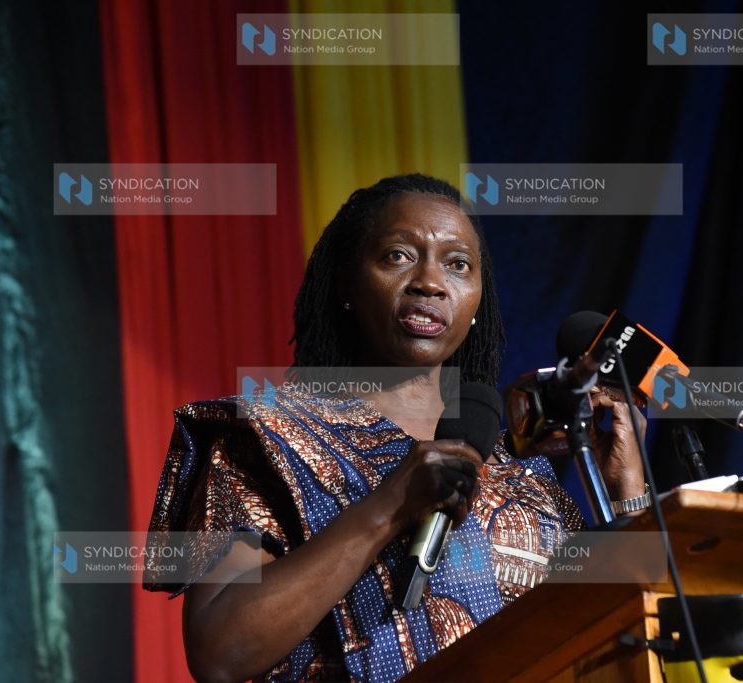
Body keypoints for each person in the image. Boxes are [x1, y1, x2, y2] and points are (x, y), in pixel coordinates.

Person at [144, 174, 647, 682]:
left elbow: (620, 643)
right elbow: (219, 654)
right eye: (398, 256)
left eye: (457, 265)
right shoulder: (264, 439)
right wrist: (388, 508)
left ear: (477, 304)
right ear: (346, 285)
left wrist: (628, 495)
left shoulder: (523, 475)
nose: (430, 282)